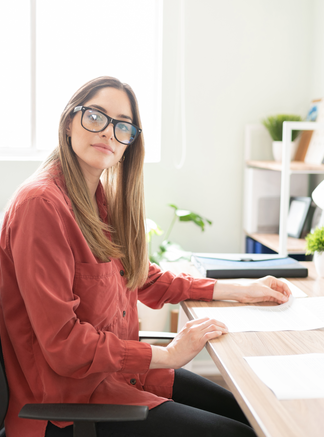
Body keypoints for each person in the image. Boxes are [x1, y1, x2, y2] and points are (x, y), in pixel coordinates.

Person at [0, 76, 291, 437]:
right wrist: (168, 355)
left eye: (122, 126)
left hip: (115, 378)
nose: (108, 132)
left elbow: (140, 277)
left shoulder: (96, 198)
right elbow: (63, 343)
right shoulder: (41, 204)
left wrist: (236, 289)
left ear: (129, 142)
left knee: (250, 413)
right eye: (96, 117)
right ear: (69, 122)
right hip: (65, 403)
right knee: (240, 433)